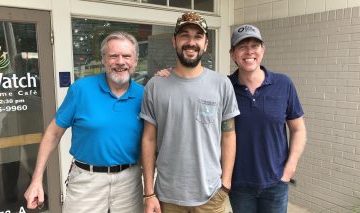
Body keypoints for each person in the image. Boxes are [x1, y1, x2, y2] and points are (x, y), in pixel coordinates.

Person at [24, 31, 144, 213]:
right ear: (103, 59)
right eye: (113, 56)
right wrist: (36, 179)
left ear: (135, 60)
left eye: (127, 56)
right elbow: (53, 133)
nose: (120, 62)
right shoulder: (81, 89)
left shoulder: (145, 94)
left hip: (130, 182)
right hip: (87, 181)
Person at [140, 12, 240, 213]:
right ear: (174, 40)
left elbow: (228, 135)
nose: (191, 42)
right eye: (185, 35)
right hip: (168, 197)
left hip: (211, 196)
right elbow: (149, 139)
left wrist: (226, 183)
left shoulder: (222, 84)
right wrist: (149, 192)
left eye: (198, 36)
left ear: (206, 44)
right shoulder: (155, 86)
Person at [228, 24, 307, 213]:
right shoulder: (225, 87)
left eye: (255, 45)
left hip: (276, 183)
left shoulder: (283, 83)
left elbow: (298, 129)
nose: (249, 52)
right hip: (239, 184)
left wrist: (289, 170)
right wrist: (170, 76)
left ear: (262, 50)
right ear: (233, 54)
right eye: (242, 46)